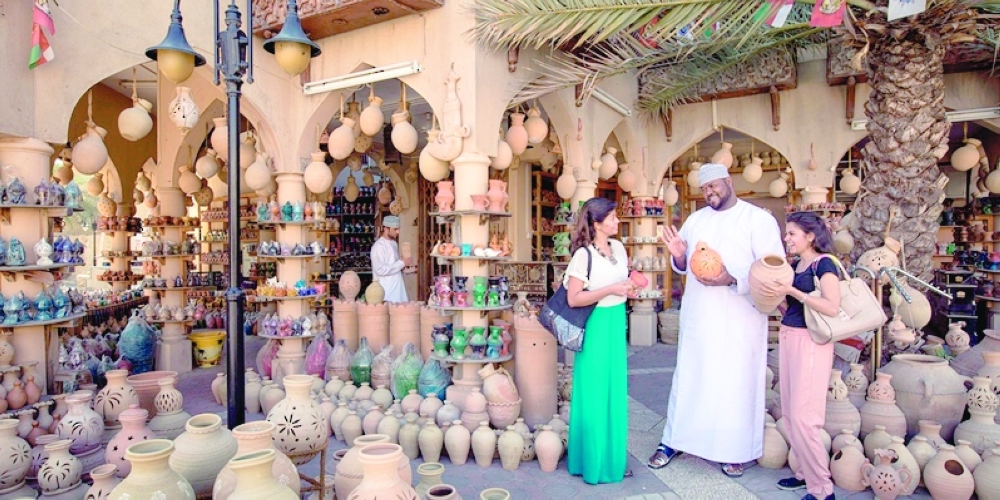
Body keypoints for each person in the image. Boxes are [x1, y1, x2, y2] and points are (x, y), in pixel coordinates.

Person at [648, 163, 785, 477]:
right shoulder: (696, 219)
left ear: (728, 182)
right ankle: (675, 440)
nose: (709, 192)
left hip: (741, 320)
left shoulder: (758, 220)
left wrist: (731, 279)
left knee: (735, 385)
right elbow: (682, 263)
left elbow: (773, 272)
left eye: (714, 186)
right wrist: (679, 253)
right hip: (700, 317)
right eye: (704, 188)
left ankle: (735, 451)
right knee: (692, 379)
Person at [758, 211, 841, 500]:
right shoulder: (796, 264)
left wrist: (794, 290)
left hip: (812, 342)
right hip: (790, 336)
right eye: (786, 232)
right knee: (792, 415)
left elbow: (831, 306)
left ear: (810, 236)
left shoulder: (825, 264)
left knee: (806, 417)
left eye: (792, 233)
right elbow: (791, 308)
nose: (786, 238)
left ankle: (822, 489)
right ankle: (805, 474)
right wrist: (779, 297)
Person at [564, 197, 633, 484]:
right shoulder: (583, 255)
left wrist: (628, 289)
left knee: (614, 391)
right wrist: (610, 289)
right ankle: (591, 462)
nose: (617, 221)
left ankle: (613, 460)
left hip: (617, 322)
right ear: (596, 223)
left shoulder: (618, 248)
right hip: (595, 325)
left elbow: (621, 284)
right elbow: (574, 298)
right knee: (593, 391)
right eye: (613, 217)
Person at [370, 215, 412, 303]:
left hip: (398, 290)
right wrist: (401, 263)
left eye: (398, 229)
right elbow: (380, 270)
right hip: (386, 293)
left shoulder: (394, 244)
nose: (398, 232)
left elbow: (394, 265)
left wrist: (404, 265)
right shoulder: (378, 247)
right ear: (386, 228)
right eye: (395, 229)